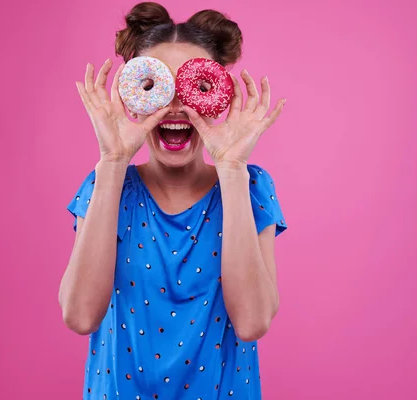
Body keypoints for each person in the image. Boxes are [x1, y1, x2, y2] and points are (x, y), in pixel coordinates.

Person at [59, 2, 288, 399]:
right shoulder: (106, 188)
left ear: (220, 97)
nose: (176, 106)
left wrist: (231, 170)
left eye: (196, 88)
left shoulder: (250, 187)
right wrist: (112, 163)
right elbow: (79, 315)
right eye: (155, 87)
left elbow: (252, 323)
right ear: (132, 96)